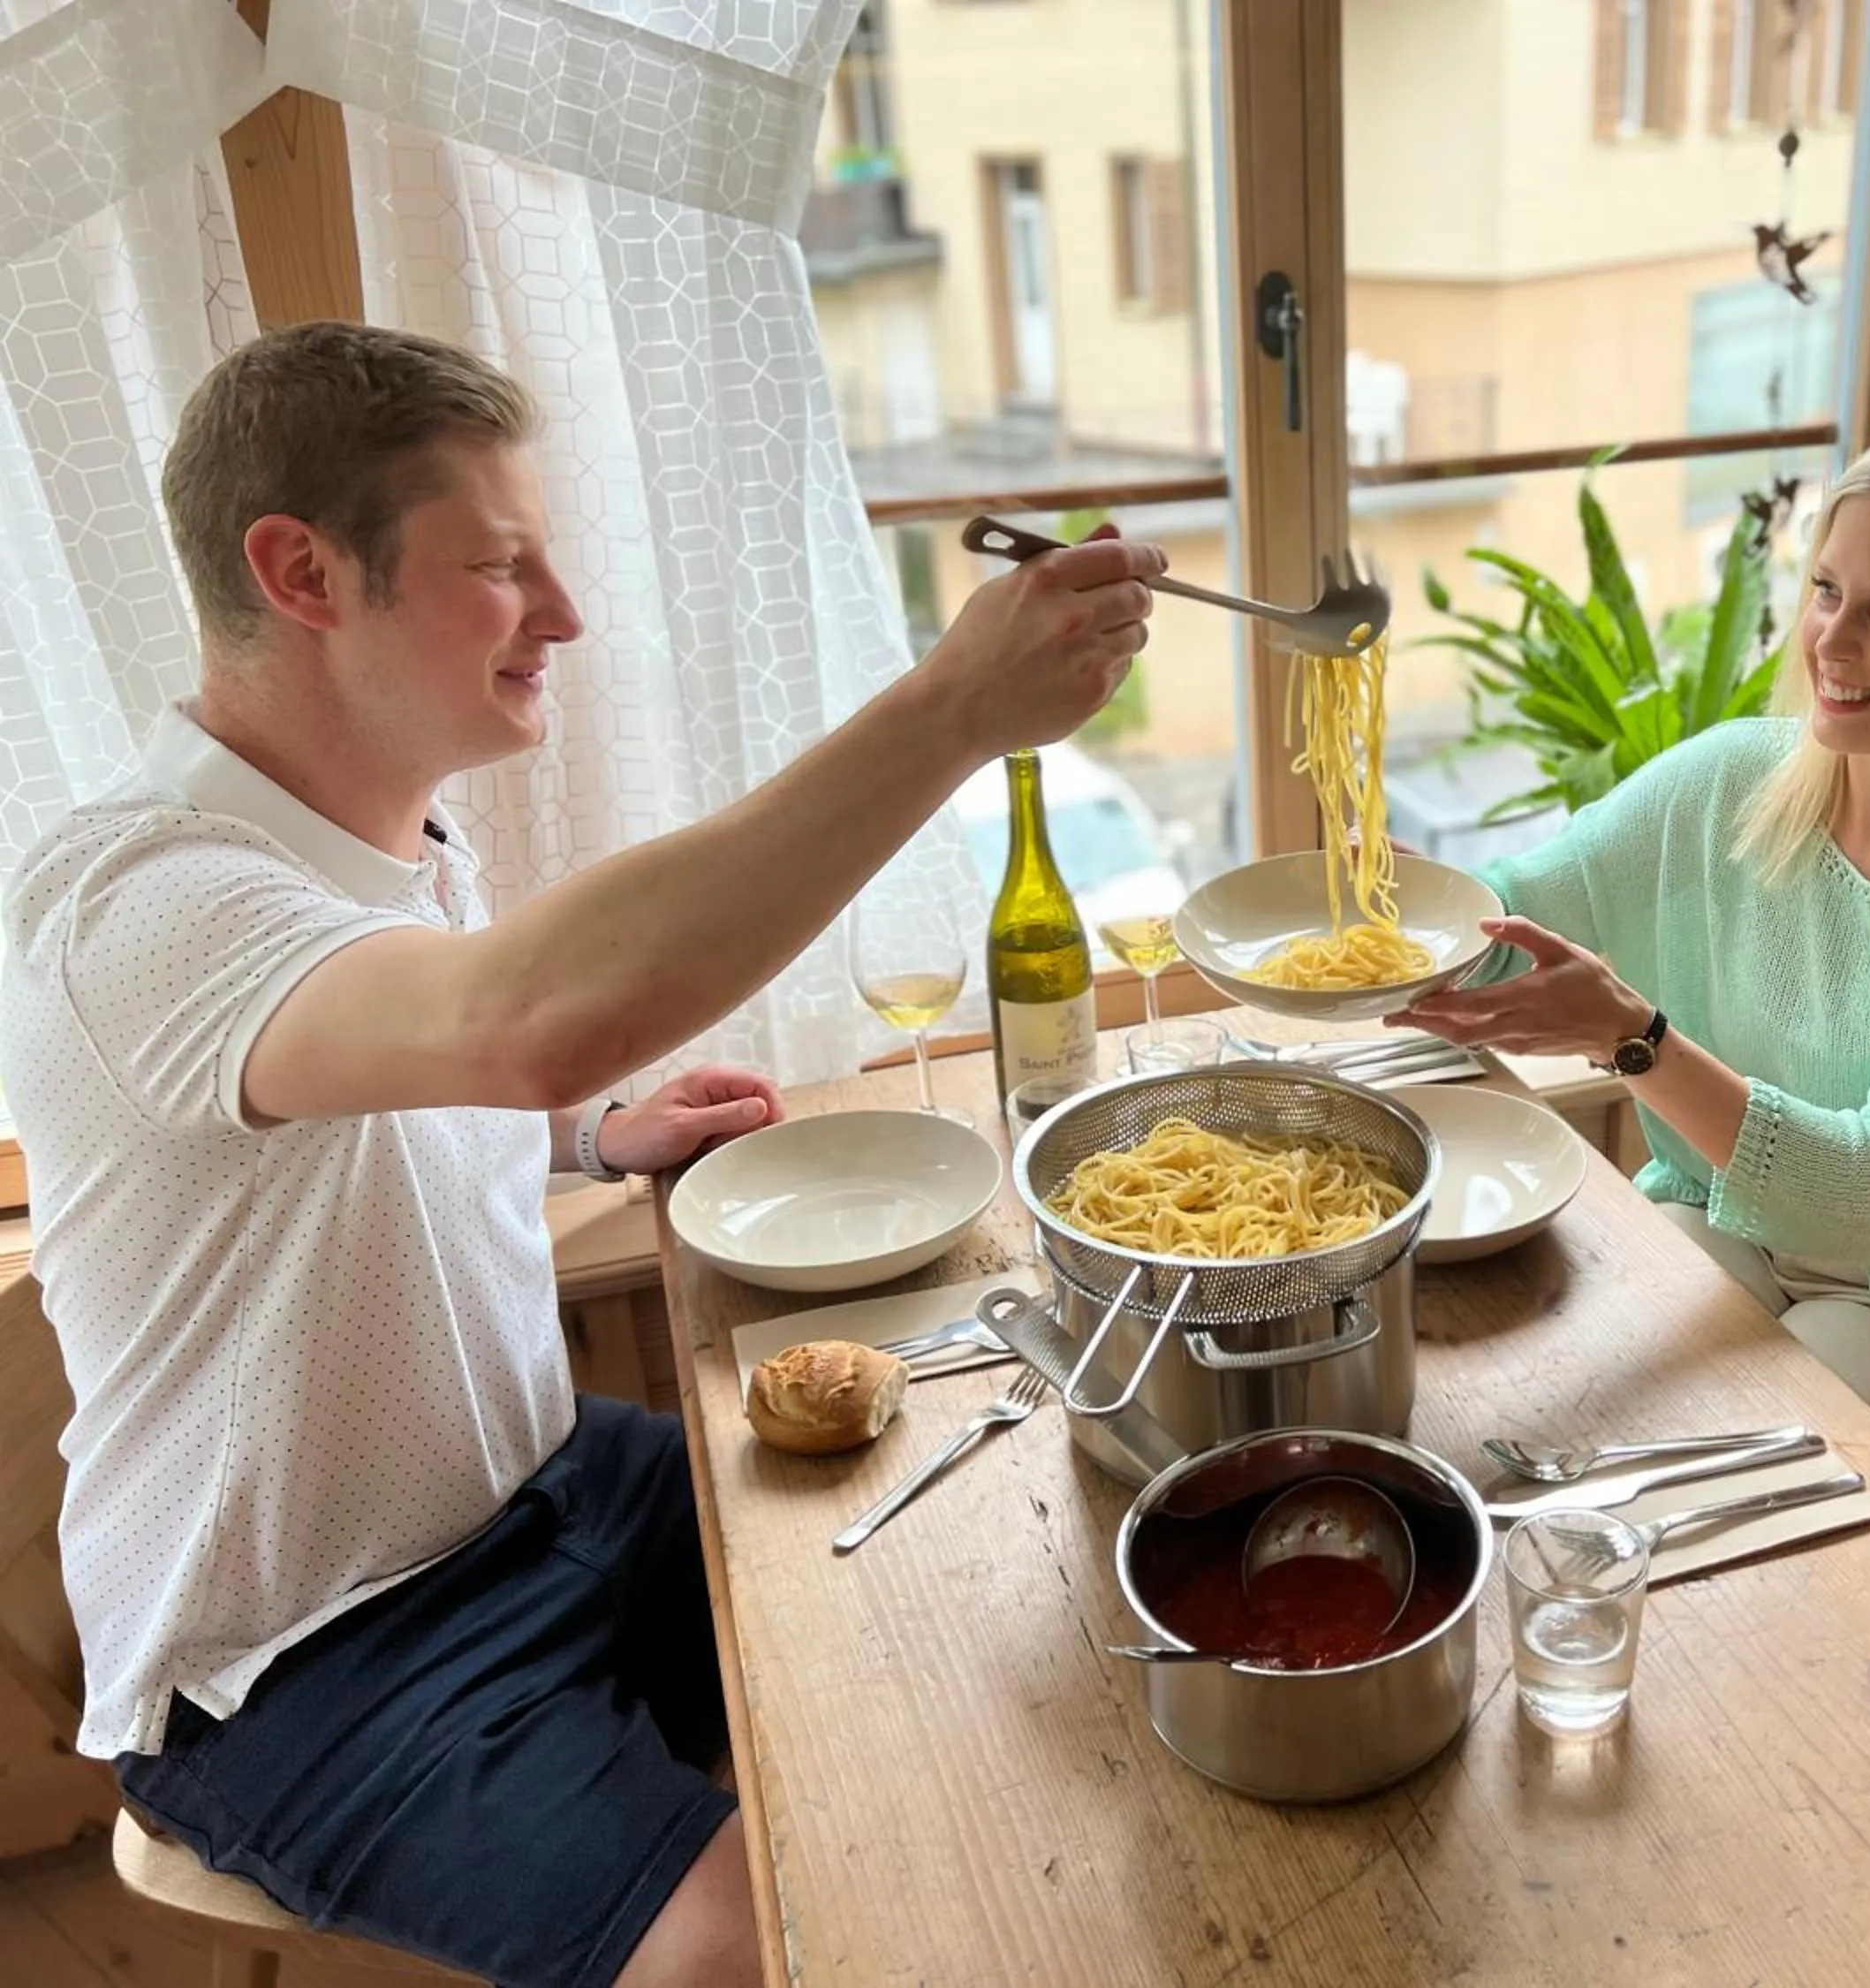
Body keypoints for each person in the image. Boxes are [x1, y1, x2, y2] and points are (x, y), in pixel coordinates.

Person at [0, 322, 1161, 1987]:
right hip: (306, 1654)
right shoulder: (138, 900)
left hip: (543, 1496)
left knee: (991, 1585)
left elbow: (400, 1070)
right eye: (500, 566)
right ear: (304, 573)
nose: (564, 617)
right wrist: (955, 708)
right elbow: (514, 1017)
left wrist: (586, 1133)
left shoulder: (384, 834)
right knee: (770, 1946)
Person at [1396, 412, 1870, 1469]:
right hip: (1734, 1221)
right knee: (1543, 1424)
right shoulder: (1733, 781)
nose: (1832, 644)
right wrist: (1389, 902)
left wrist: (1634, 1040)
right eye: (1827, 591)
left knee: (1691, 1476)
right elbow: (1513, 916)